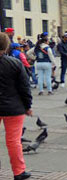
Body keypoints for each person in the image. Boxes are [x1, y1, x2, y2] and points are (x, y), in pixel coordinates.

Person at [0, 32, 33, 180]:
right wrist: (27, 106)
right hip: (14, 107)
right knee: (14, 141)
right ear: (6, 46)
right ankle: (19, 171)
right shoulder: (15, 63)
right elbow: (24, 88)